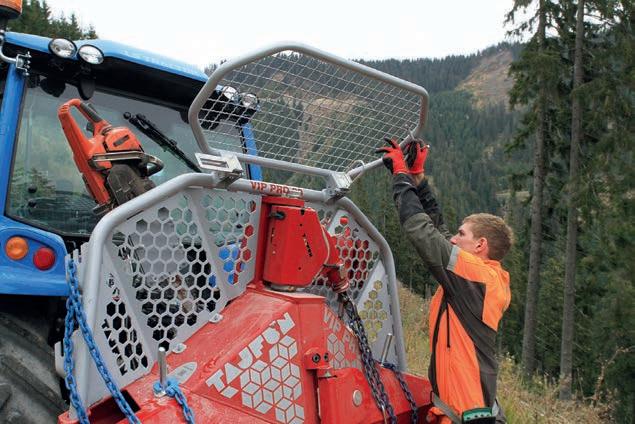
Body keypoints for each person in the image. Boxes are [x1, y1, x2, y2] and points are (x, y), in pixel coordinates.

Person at [376, 137, 513, 424]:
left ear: (481, 245)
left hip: (461, 416)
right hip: (470, 413)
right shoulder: (486, 277)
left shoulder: (475, 275)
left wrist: (401, 177)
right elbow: (441, 235)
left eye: (462, 234)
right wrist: (418, 181)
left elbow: (423, 232)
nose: (454, 238)